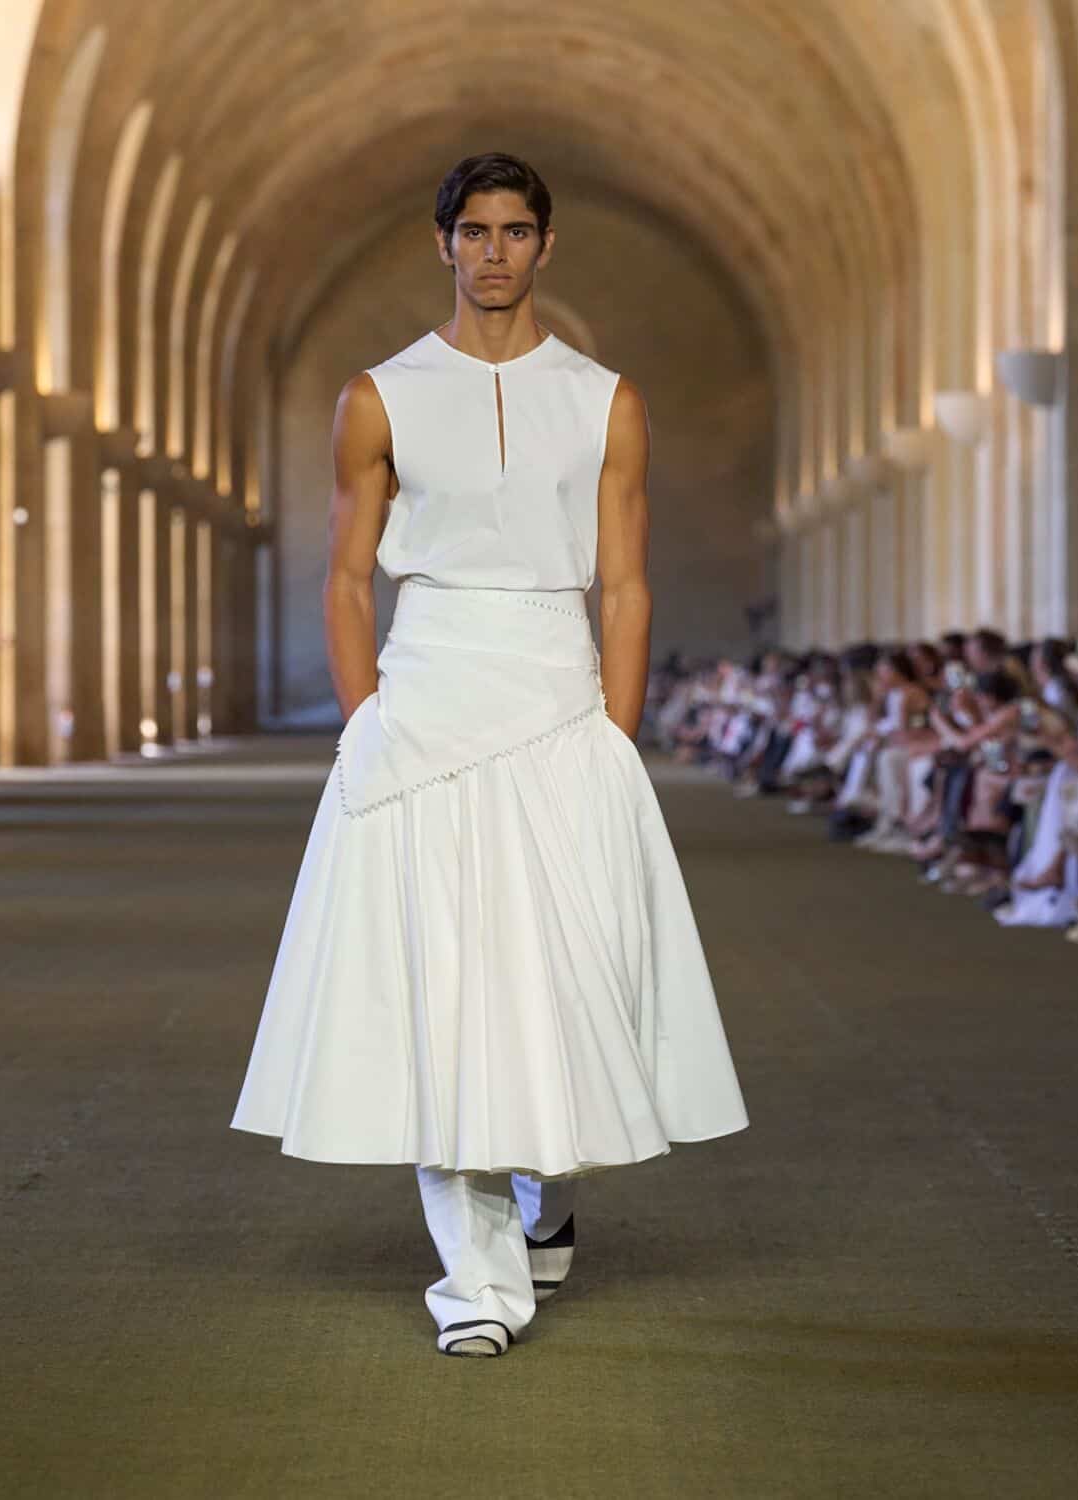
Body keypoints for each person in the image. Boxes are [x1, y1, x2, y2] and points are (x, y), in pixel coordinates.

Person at [229, 153, 749, 1358]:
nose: (496, 251)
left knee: (565, 973)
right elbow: (346, 576)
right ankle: (477, 1284)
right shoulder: (380, 395)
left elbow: (626, 582)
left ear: (546, 245)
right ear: (444, 243)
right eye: (475, 230)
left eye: (517, 231)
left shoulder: (607, 400)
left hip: (560, 701)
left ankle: (544, 1189)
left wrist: (616, 739)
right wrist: (364, 722)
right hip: (426, 700)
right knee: (445, 981)